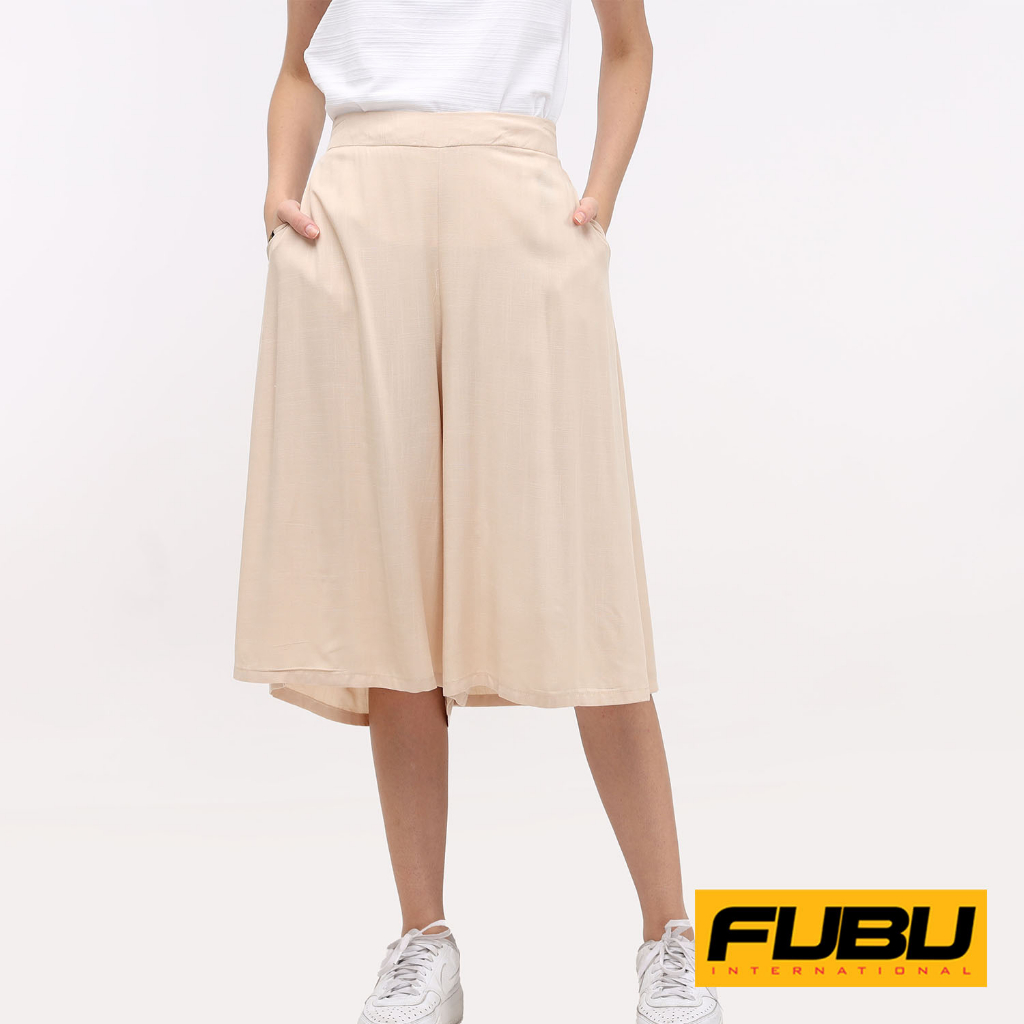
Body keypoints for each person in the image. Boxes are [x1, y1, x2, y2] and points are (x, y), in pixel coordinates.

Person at [233, 3, 722, 1023]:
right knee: (393, 593)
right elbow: (300, 68)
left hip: (517, 203)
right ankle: (425, 941)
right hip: (357, 216)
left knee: (585, 585)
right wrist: (279, 192)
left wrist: (599, 197)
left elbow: (629, 47)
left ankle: (670, 940)